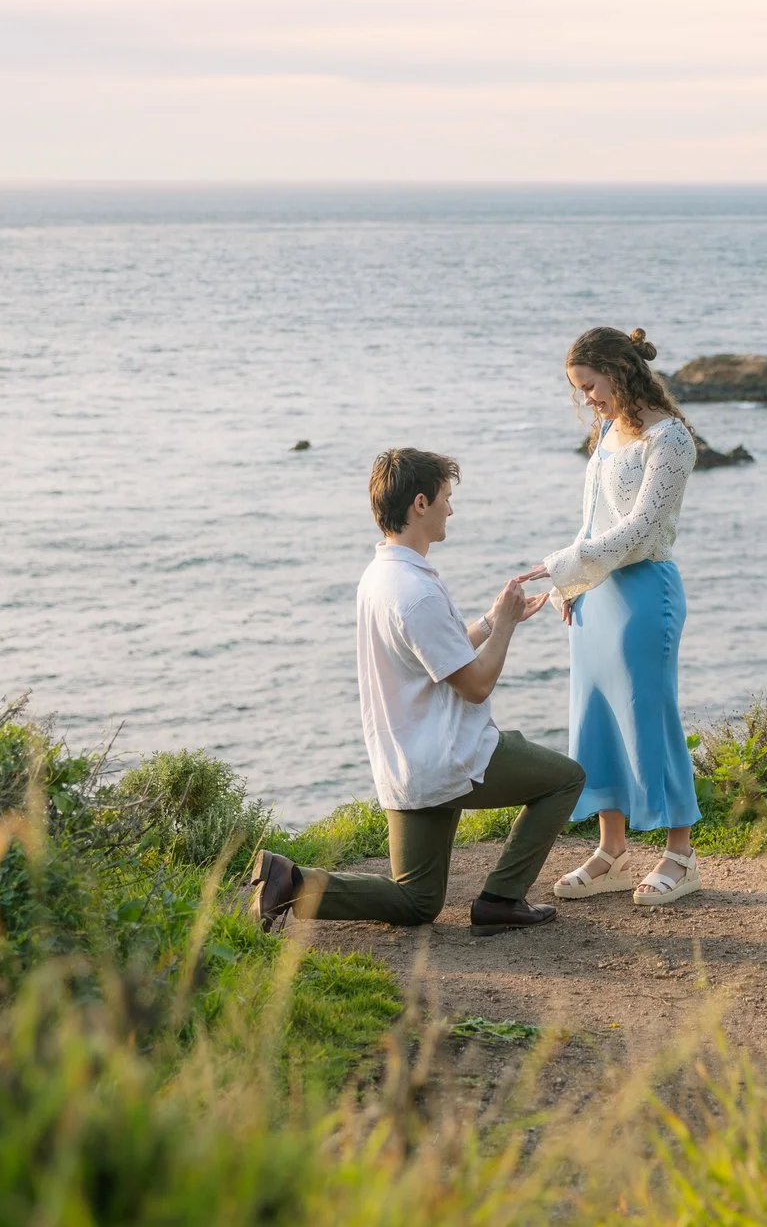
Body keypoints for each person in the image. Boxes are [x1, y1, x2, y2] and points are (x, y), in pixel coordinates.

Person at [247, 448, 583, 935]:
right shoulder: (419, 592)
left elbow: (434, 660)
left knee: (417, 900)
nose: (452, 509)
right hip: (453, 758)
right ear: (420, 503)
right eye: (447, 498)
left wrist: (490, 622)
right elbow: (474, 685)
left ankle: (292, 882)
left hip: (407, 762)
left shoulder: (380, 576)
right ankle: (501, 899)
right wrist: (508, 628)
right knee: (566, 779)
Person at [523, 327, 703, 906]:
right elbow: (593, 518)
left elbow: (641, 529)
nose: (588, 400)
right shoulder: (606, 431)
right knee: (595, 719)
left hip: (644, 593)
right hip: (594, 594)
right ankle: (612, 852)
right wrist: (571, 582)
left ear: (619, 372)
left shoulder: (670, 440)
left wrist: (563, 564)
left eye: (591, 387)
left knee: (651, 718)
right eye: (580, 391)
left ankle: (681, 855)